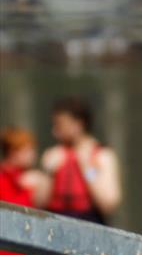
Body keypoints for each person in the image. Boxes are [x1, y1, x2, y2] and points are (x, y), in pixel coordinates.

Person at [0, 127, 50, 255]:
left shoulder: (33, 179)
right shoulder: (5, 178)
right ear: (13, 151)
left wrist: (43, 183)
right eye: (28, 150)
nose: (33, 154)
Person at [41, 96, 121, 224]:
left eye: (60, 125)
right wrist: (49, 174)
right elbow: (38, 203)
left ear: (78, 124)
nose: (54, 132)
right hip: (54, 224)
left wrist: (87, 169)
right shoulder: (52, 155)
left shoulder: (102, 155)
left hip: (91, 223)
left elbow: (109, 205)